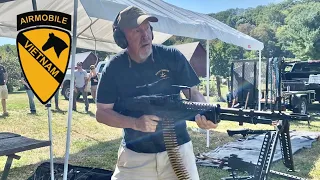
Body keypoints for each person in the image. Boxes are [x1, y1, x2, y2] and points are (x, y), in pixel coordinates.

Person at [96, 6, 218, 180]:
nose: (145, 36)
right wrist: (135, 123)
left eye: (147, 29)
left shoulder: (172, 57)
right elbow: (102, 112)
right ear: (122, 39)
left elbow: (193, 94)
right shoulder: (114, 68)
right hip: (135, 156)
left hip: (177, 150)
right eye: (137, 31)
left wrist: (206, 112)